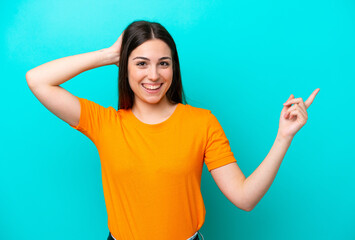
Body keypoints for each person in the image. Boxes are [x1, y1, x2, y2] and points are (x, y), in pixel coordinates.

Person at [26, 20, 320, 240]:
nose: (153, 75)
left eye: (163, 64)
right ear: (124, 68)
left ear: (173, 69)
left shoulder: (201, 122)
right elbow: (38, 80)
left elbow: (244, 198)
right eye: (141, 63)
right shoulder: (105, 123)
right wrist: (108, 55)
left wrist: (283, 137)